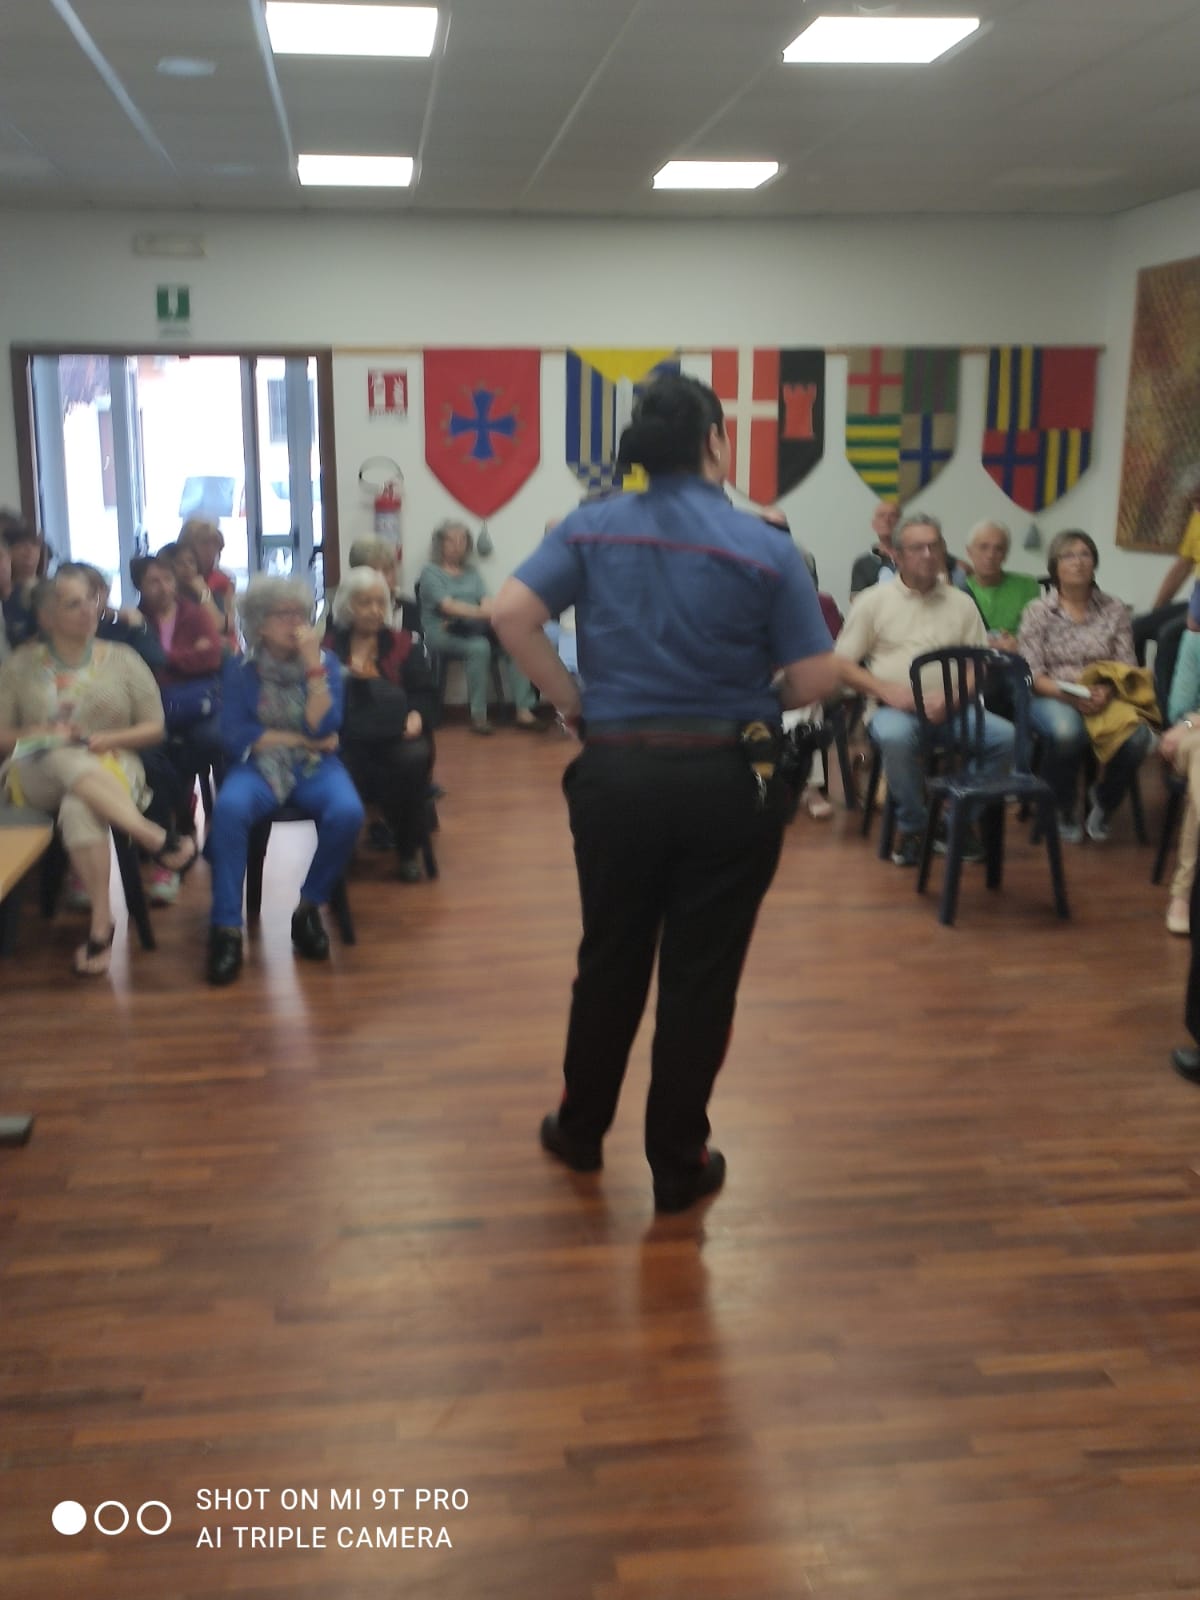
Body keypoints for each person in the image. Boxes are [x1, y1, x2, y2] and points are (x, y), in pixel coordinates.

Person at [492, 372, 837, 1214]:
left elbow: (510, 616)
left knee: (610, 958)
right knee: (700, 977)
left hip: (618, 775)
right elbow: (815, 677)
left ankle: (580, 1131)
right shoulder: (765, 544)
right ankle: (679, 1164)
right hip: (729, 778)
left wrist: (573, 703)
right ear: (717, 440)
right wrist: (755, 698)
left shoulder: (590, 525)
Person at [0, 564, 197, 976]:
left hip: (112, 762)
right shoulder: (20, 665)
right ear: (47, 617)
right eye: (73, 604)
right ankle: (153, 836)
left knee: (79, 806)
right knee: (58, 751)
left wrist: (110, 739)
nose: (89, 609)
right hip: (34, 770)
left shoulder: (123, 658)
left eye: (91, 599)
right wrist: (41, 733)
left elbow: (154, 727)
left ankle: (100, 925)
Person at [205, 576, 365, 986]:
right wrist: (301, 740)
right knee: (230, 810)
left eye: (301, 613)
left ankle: (308, 909)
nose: (296, 622)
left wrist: (314, 668)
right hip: (259, 765)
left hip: (314, 767)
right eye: (283, 614)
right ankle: (226, 929)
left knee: (347, 811)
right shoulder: (242, 668)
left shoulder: (326, 663)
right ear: (259, 625)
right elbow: (236, 735)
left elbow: (326, 726)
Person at [834, 514, 1014, 867]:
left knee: (1006, 738)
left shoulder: (961, 602)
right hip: (894, 710)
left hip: (955, 709)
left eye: (935, 546)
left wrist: (952, 699)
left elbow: (978, 664)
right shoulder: (873, 601)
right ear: (898, 555)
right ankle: (914, 828)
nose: (928, 554)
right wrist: (887, 691)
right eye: (918, 548)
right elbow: (841, 664)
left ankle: (954, 820)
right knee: (897, 738)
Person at [1018, 529, 1156, 844]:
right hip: (1051, 694)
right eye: (1068, 556)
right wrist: (1068, 695)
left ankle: (1103, 800)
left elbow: (1126, 664)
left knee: (1139, 738)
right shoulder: (1038, 612)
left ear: (1094, 562)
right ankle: (1062, 806)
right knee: (1068, 731)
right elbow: (1032, 673)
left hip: (1104, 693)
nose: (1078, 562)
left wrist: (1107, 691)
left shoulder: (1114, 608)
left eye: (1085, 554)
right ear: (1055, 567)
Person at [325, 566, 436, 882]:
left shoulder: (403, 643)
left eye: (380, 602)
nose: (375, 610)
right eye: (365, 602)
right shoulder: (330, 647)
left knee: (412, 758)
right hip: (347, 736)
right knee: (340, 764)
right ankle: (343, 845)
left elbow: (425, 693)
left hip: (395, 735)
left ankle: (407, 850)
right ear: (348, 606)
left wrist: (417, 715)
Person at [417, 521, 542, 735]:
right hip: (441, 631)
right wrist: (481, 613)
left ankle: (524, 710)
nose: (457, 545)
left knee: (515, 642)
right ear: (439, 544)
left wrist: (481, 613)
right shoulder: (430, 572)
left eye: (462, 540)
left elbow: (487, 602)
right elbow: (448, 607)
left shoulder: (472, 572)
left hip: (473, 628)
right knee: (479, 647)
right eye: (451, 540)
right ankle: (479, 716)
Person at [1157, 622, 1200, 934]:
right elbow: (1179, 711)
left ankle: (1183, 893)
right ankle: (1184, 892)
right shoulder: (1195, 639)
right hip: (1191, 736)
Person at [964, 520, 1042, 650]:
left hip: (1016, 656)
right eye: (983, 547)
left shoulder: (1027, 585)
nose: (990, 555)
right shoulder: (957, 590)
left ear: (1005, 555)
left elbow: (1037, 634)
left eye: (999, 549)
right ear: (969, 552)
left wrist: (1018, 644)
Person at [178, 518, 238, 644]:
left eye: (215, 544)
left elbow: (229, 624)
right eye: (204, 543)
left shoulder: (223, 580)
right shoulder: (174, 580)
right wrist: (203, 590)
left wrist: (204, 592)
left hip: (227, 646)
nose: (211, 550)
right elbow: (216, 625)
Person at [2, 518, 45, 649]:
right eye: (21, 545)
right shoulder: (5, 593)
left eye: (34, 544)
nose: (28, 551)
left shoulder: (50, 589)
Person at [849, 501, 900, 597]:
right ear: (874, 524)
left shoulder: (913, 557)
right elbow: (856, 599)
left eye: (892, 515)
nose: (887, 520)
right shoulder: (863, 563)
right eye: (881, 516)